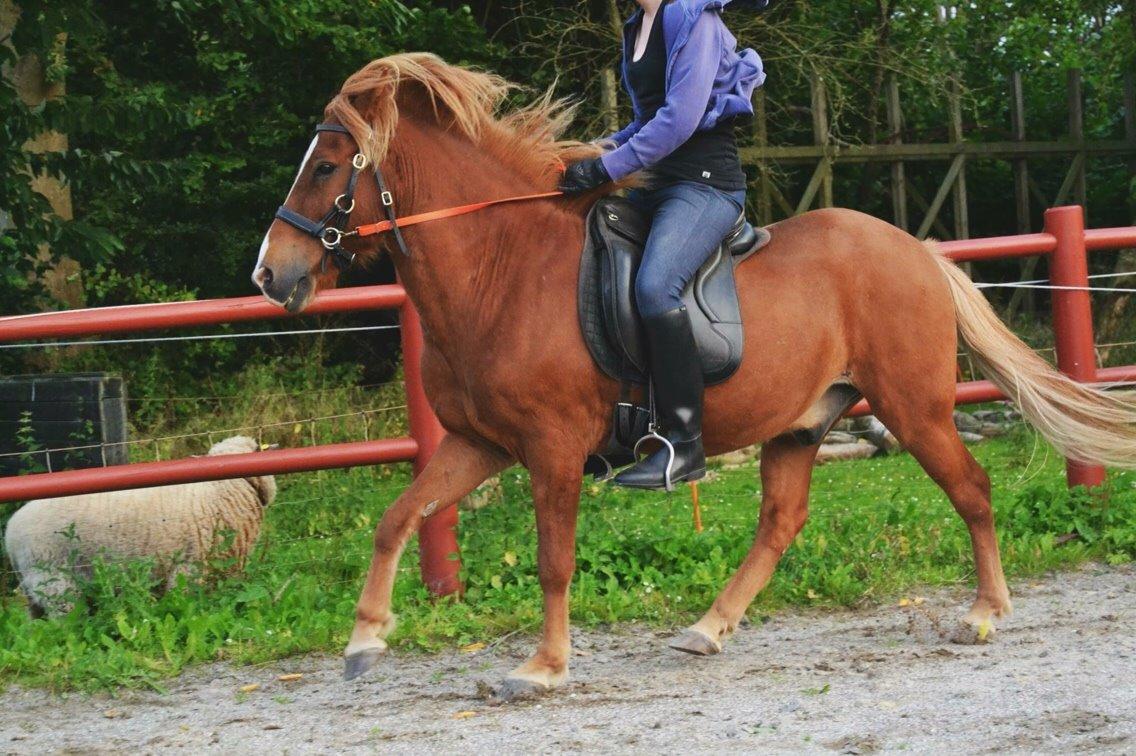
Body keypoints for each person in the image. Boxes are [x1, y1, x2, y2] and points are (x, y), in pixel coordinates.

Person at [559, 0, 767, 490]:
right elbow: (644, 120)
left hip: (705, 184)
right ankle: (615, 427)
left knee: (655, 288)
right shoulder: (638, 27)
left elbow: (681, 119)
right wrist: (581, 156)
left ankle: (683, 444)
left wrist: (606, 169)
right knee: (585, 257)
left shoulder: (694, 18)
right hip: (655, 184)